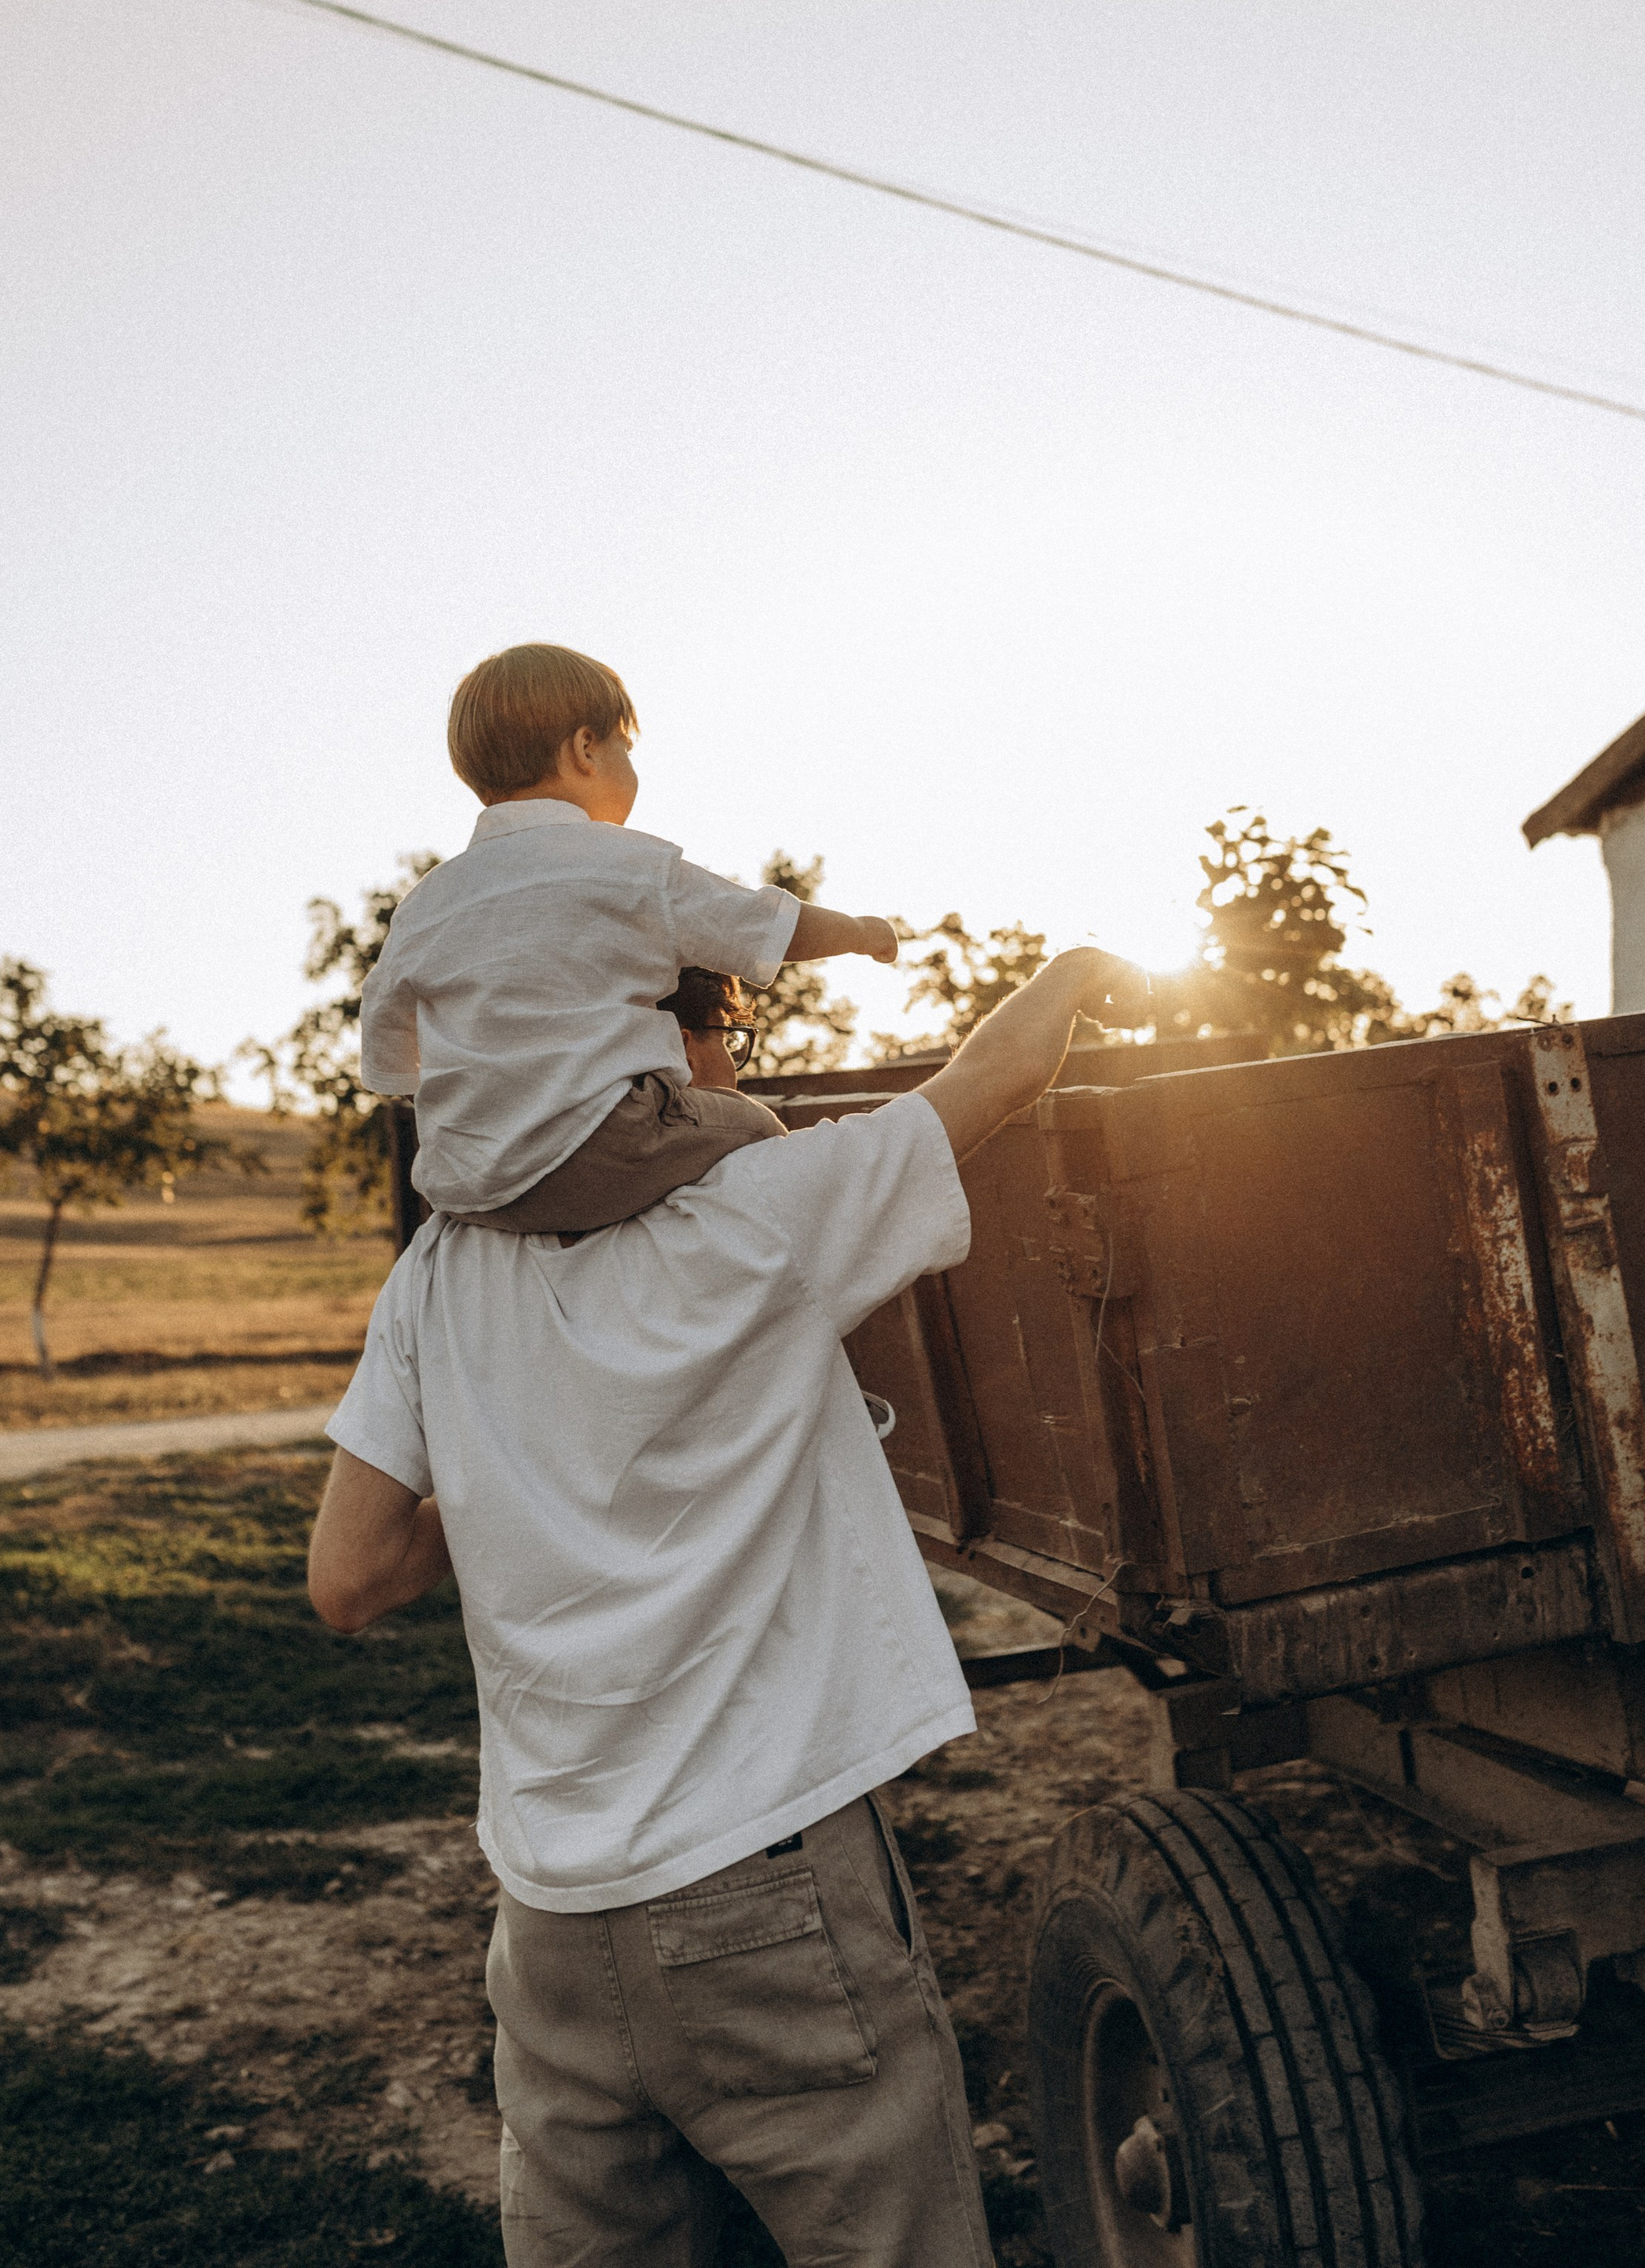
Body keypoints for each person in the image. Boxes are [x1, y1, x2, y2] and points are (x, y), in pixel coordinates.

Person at [310, 939, 1150, 2267]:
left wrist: (522, 1477)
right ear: (667, 1061)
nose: (737, 1074)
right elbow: (992, 1078)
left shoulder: (435, 1276)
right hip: (767, 1885)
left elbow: (348, 1576)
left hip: (550, 1920)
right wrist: (1080, 971)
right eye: (726, 1042)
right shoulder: (757, 1216)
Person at [358, 641, 898, 1237]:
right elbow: (764, 925)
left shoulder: (426, 902)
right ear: (586, 749)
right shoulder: (629, 866)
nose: (632, 766)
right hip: (606, 1146)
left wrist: (430, 1089)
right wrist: (859, 933)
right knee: (759, 1130)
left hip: (468, 1185)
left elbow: (385, 1040)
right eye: (626, 747)